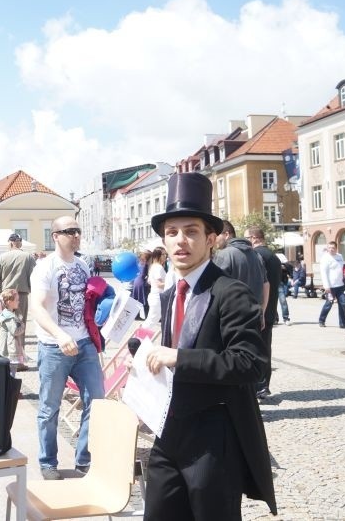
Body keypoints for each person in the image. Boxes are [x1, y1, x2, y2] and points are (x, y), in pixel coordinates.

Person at [142, 172, 276, 519]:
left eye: (191, 231)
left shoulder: (231, 293)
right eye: (171, 233)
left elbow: (249, 363)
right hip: (169, 432)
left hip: (214, 438)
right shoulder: (173, 293)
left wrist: (179, 358)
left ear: (211, 238)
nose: (180, 240)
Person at [29, 215, 104, 481]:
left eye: (77, 231)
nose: (75, 235)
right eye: (69, 231)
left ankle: (84, 460)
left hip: (84, 345)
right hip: (53, 346)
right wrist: (60, 335)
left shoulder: (83, 265)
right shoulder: (44, 267)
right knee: (49, 408)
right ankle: (48, 461)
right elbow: (36, 307)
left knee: (96, 402)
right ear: (55, 236)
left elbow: (88, 305)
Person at [243, 226, 281, 399]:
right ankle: (265, 383)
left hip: (260, 309)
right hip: (271, 308)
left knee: (256, 348)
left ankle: (259, 385)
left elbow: (260, 284)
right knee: (266, 347)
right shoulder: (274, 256)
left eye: (246, 239)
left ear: (253, 238)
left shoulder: (257, 256)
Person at [0, 233, 37, 354]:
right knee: (20, 326)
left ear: (10, 243)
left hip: (6, 295)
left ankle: (4, 354)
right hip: (21, 295)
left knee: (5, 325)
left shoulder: (2, 257)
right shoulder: (28, 257)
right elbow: (34, 278)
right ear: (20, 243)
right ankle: (18, 358)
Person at [212, 219, 266, 308]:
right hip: (255, 314)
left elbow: (214, 287)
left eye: (216, 235)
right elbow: (265, 285)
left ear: (226, 235)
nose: (214, 239)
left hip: (232, 314)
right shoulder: (256, 254)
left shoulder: (223, 254)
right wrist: (262, 313)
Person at [0, 288, 28, 372]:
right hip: (10, 347)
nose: (19, 302)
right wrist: (22, 326)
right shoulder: (9, 317)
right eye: (16, 300)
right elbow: (15, 331)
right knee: (11, 369)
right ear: (9, 302)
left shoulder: (6, 313)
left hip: (7, 345)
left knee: (8, 368)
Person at [318, 241, 345, 329]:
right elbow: (323, 273)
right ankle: (321, 320)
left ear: (336, 248)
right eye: (329, 248)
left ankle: (343, 323)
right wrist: (326, 286)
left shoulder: (340, 256)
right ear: (327, 248)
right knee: (329, 304)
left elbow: (340, 268)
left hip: (340, 285)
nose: (331, 249)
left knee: (342, 303)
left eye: (333, 248)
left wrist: (343, 275)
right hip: (330, 286)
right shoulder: (325, 258)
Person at [142, 248, 168, 329]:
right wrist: (172, 284)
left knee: (152, 320)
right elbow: (159, 284)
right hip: (157, 296)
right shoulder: (158, 267)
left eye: (165, 254)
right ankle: (139, 339)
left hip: (155, 295)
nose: (165, 256)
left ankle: (139, 337)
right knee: (151, 321)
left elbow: (150, 281)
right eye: (163, 254)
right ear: (158, 256)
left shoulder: (154, 266)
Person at [131, 250, 151, 319]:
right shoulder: (146, 264)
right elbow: (147, 275)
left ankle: (136, 316)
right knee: (144, 300)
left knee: (136, 299)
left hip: (136, 282)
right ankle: (146, 316)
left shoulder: (139, 263)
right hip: (141, 282)